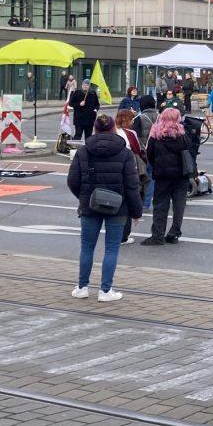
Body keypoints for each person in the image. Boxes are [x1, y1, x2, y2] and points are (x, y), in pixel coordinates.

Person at [66, 113, 142, 302]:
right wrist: (136, 212)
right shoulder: (125, 153)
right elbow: (132, 186)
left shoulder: (83, 151)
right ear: (114, 128)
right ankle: (105, 291)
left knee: (87, 247)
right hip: (118, 207)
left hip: (89, 206)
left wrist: (84, 197)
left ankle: (82, 287)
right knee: (111, 249)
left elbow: (72, 181)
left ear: (95, 129)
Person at [142, 107, 191, 246]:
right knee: (179, 205)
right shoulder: (182, 134)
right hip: (181, 175)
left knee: (160, 205)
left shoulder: (156, 135)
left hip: (162, 174)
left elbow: (150, 155)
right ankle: (174, 232)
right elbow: (189, 153)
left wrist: (158, 165)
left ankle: (158, 235)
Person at [114, 109, 147, 246]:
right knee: (128, 200)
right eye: (131, 119)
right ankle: (124, 235)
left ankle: (114, 233)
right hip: (129, 169)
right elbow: (138, 150)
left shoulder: (112, 132)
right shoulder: (130, 133)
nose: (133, 121)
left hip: (112, 170)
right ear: (127, 120)